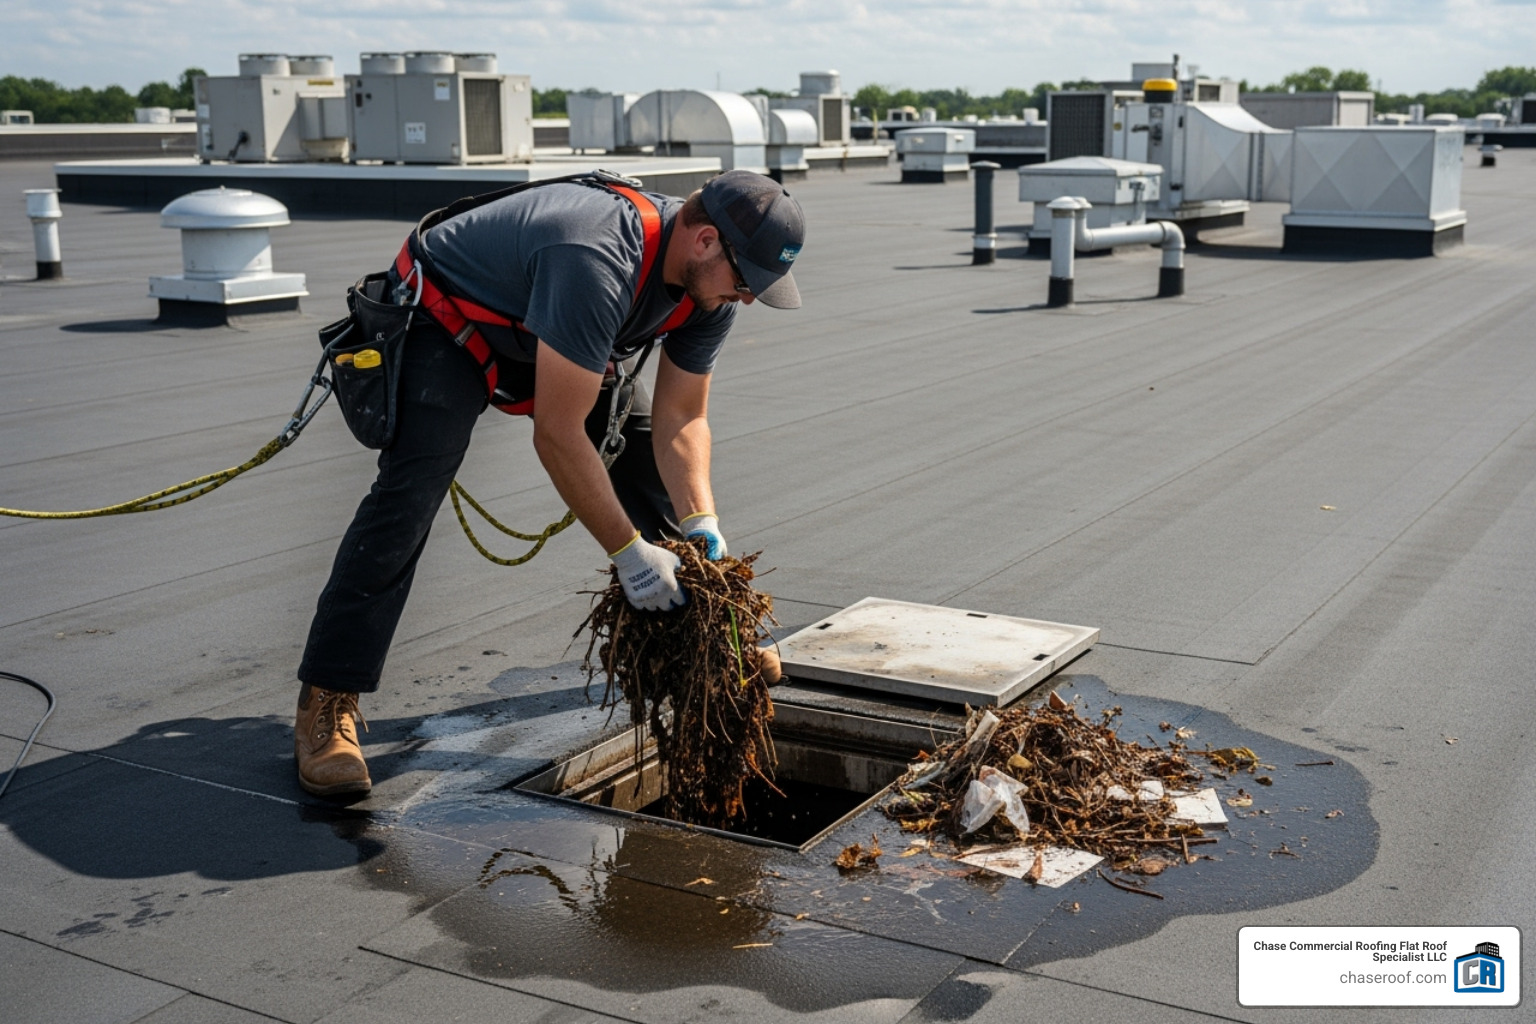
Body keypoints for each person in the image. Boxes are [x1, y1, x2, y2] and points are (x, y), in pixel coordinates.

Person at [293, 169, 806, 797]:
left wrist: (703, 521)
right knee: (412, 491)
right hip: (450, 319)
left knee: (645, 460)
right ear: (703, 241)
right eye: (745, 279)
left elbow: (682, 417)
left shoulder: (708, 290)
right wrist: (628, 555)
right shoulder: (595, 255)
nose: (748, 297)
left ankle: (700, 645)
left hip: (546, 324)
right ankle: (326, 703)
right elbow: (558, 433)